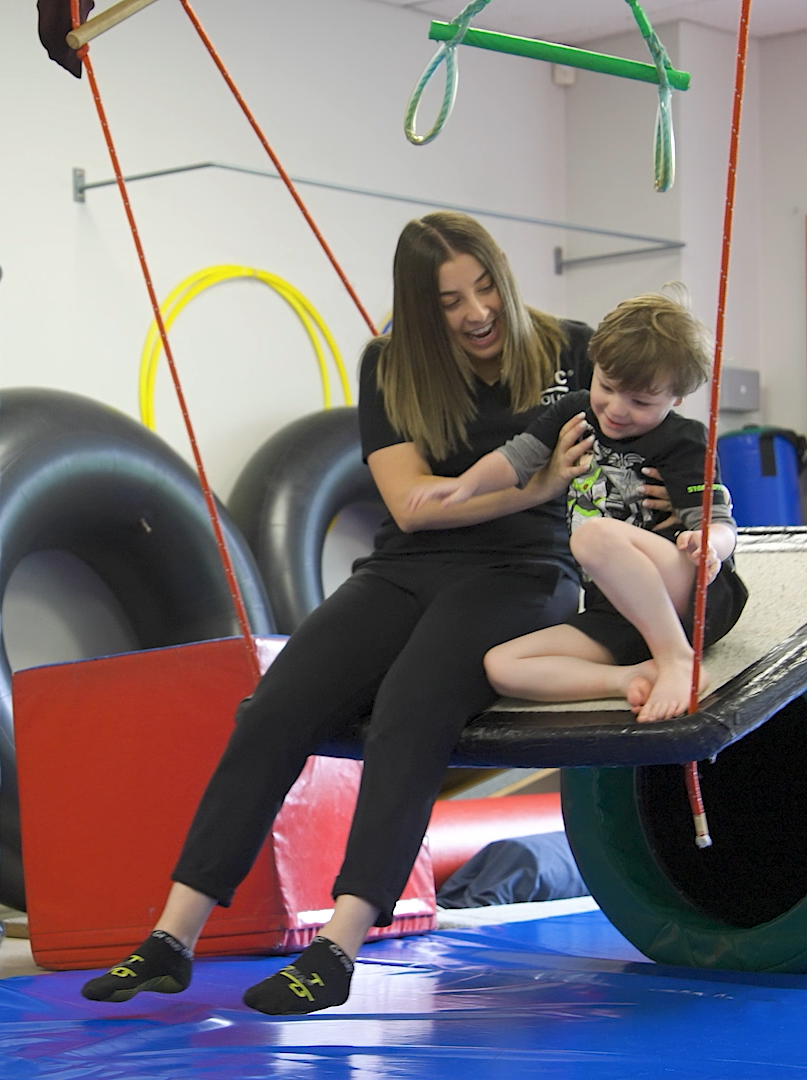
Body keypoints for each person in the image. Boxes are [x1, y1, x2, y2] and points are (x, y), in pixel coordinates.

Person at [79, 211, 669, 1016]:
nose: (475, 312)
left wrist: (675, 494)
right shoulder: (390, 367)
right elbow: (411, 506)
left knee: (409, 712)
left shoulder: (569, 349)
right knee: (271, 710)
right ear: (420, 309)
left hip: (522, 569)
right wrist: (531, 485)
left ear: (504, 277)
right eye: (449, 300)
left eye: (484, 286)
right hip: (405, 565)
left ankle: (337, 947)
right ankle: (172, 938)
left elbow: (652, 402)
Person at [410, 291, 748, 723]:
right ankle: (634, 676)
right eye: (607, 386)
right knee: (503, 666)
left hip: (693, 597)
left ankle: (678, 660)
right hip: (621, 609)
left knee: (592, 534)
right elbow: (518, 456)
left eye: (641, 402)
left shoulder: (684, 441)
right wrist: (464, 485)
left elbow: (720, 522)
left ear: (675, 399)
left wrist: (709, 544)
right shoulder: (576, 410)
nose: (616, 409)